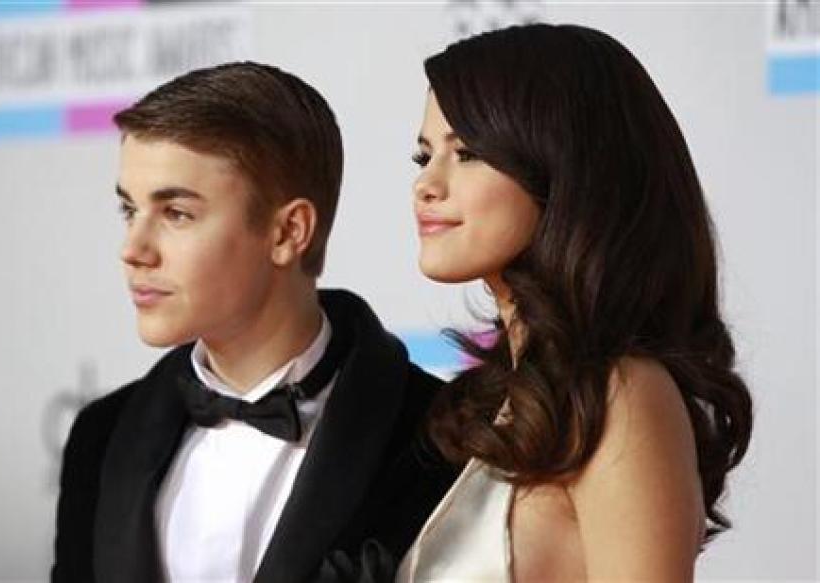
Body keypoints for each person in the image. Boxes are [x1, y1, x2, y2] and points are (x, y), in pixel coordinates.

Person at [51, 62, 458, 583]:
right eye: (129, 211)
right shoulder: (101, 437)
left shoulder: (439, 439)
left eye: (176, 213)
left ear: (289, 231)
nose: (133, 250)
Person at [398, 23, 753, 582]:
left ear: (563, 168)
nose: (427, 185)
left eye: (466, 153)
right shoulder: (513, 396)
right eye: (423, 157)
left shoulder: (621, 394)